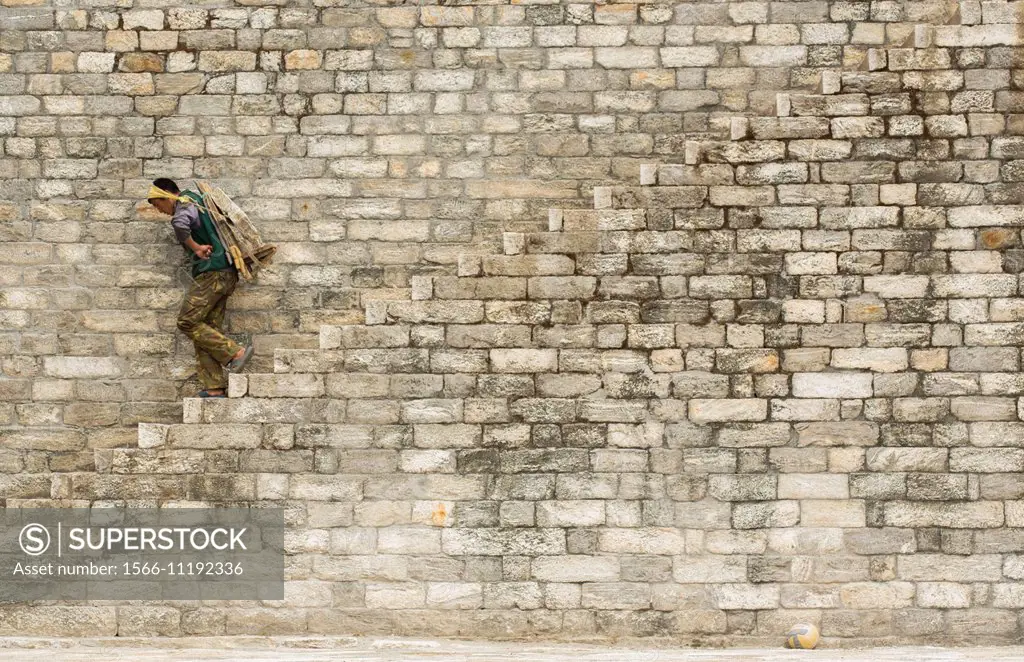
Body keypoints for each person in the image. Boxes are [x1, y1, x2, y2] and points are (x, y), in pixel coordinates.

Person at [147, 178, 253, 398]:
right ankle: (214, 387)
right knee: (205, 328)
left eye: (158, 204)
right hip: (227, 272)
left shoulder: (185, 204)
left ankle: (235, 353)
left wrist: (195, 248)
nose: (160, 210)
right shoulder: (197, 201)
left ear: (167, 195)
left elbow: (180, 224)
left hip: (212, 273)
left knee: (187, 321)